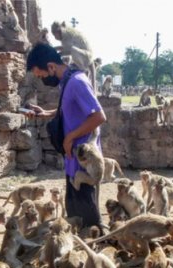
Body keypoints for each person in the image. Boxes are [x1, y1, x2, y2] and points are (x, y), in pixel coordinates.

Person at [25, 43, 106, 228]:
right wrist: (46, 113)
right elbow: (71, 110)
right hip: (73, 161)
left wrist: (70, 138)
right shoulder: (66, 82)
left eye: (42, 75)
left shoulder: (77, 82)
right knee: (75, 217)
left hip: (85, 163)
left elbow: (99, 116)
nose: (42, 80)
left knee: (88, 222)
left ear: (51, 66)